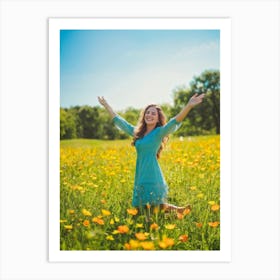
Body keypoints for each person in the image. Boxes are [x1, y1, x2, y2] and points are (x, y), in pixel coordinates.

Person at [98, 93, 205, 215]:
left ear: (158, 118)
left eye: (153, 113)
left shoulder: (159, 132)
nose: (149, 115)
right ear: (144, 116)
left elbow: (174, 121)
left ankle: (176, 212)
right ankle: (178, 211)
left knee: (154, 204)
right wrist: (106, 105)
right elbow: (121, 122)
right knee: (141, 208)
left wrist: (189, 106)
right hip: (141, 172)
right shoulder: (137, 133)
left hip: (152, 173)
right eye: (147, 113)